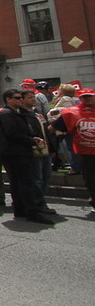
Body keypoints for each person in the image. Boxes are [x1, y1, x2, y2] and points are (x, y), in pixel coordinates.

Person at [0, 89, 52, 225]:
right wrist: (32, 140)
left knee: (18, 182)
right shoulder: (7, 114)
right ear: (8, 99)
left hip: (17, 152)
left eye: (21, 98)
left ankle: (20, 209)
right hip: (15, 153)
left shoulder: (17, 113)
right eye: (17, 98)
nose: (21, 100)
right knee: (26, 181)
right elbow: (13, 133)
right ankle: (32, 211)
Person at [50, 89, 95, 217]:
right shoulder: (72, 113)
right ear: (80, 99)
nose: (87, 99)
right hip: (85, 153)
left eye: (90, 97)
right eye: (84, 97)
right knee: (91, 179)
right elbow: (52, 128)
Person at [21, 88, 56, 215]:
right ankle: (38, 203)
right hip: (34, 150)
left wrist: (52, 147)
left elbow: (46, 130)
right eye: (29, 97)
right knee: (37, 178)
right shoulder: (22, 115)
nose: (33, 99)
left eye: (33, 97)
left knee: (46, 176)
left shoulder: (37, 114)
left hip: (46, 149)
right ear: (22, 100)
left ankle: (40, 199)